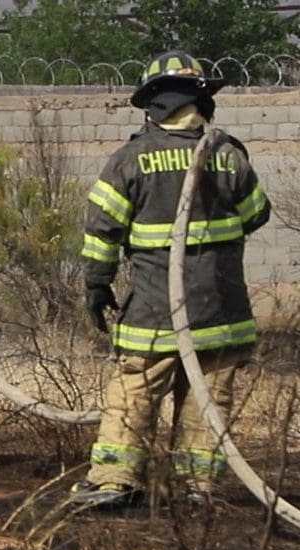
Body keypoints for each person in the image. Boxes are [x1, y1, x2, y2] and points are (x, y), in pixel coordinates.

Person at [70, 51, 271, 507]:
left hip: (155, 311)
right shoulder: (228, 154)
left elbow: (102, 229)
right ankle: (197, 490)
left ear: (154, 104)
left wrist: (97, 285)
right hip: (221, 312)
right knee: (207, 401)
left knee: (134, 392)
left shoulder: (131, 160)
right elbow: (257, 214)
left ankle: (113, 482)